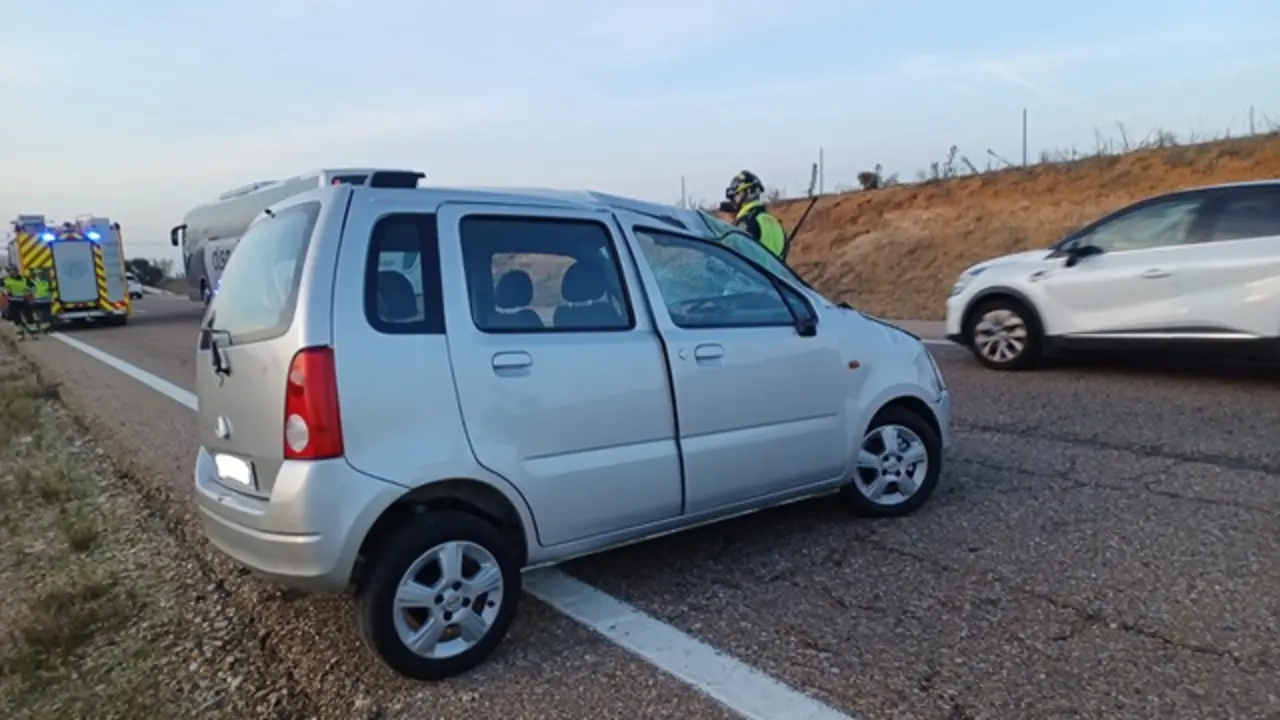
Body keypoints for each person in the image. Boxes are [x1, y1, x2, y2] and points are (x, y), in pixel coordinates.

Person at [720, 170, 788, 260]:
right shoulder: (776, 223)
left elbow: (734, 257)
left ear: (748, 192)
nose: (733, 200)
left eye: (736, 195)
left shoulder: (746, 222)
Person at [3, 265, 33, 338]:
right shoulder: (5, 280)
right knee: (16, 318)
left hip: (24, 300)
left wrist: (29, 291)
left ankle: (33, 333)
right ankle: (20, 334)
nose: (12, 273)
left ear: (17, 271)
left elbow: (32, 286)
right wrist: (6, 291)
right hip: (13, 302)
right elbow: (2, 288)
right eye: (10, 271)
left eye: (13, 271)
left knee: (29, 316)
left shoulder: (24, 279)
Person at [29, 268, 53, 333]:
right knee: (37, 315)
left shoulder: (48, 281)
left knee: (46, 315)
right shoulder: (33, 281)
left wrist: (51, 299)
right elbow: (31, 291)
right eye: (38, 273)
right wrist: (31, 299)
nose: (40, 274)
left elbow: (50, 291)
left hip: (46, 301)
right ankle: (40, 327)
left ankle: (45, 328)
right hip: (37, 301)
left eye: (40, 273)